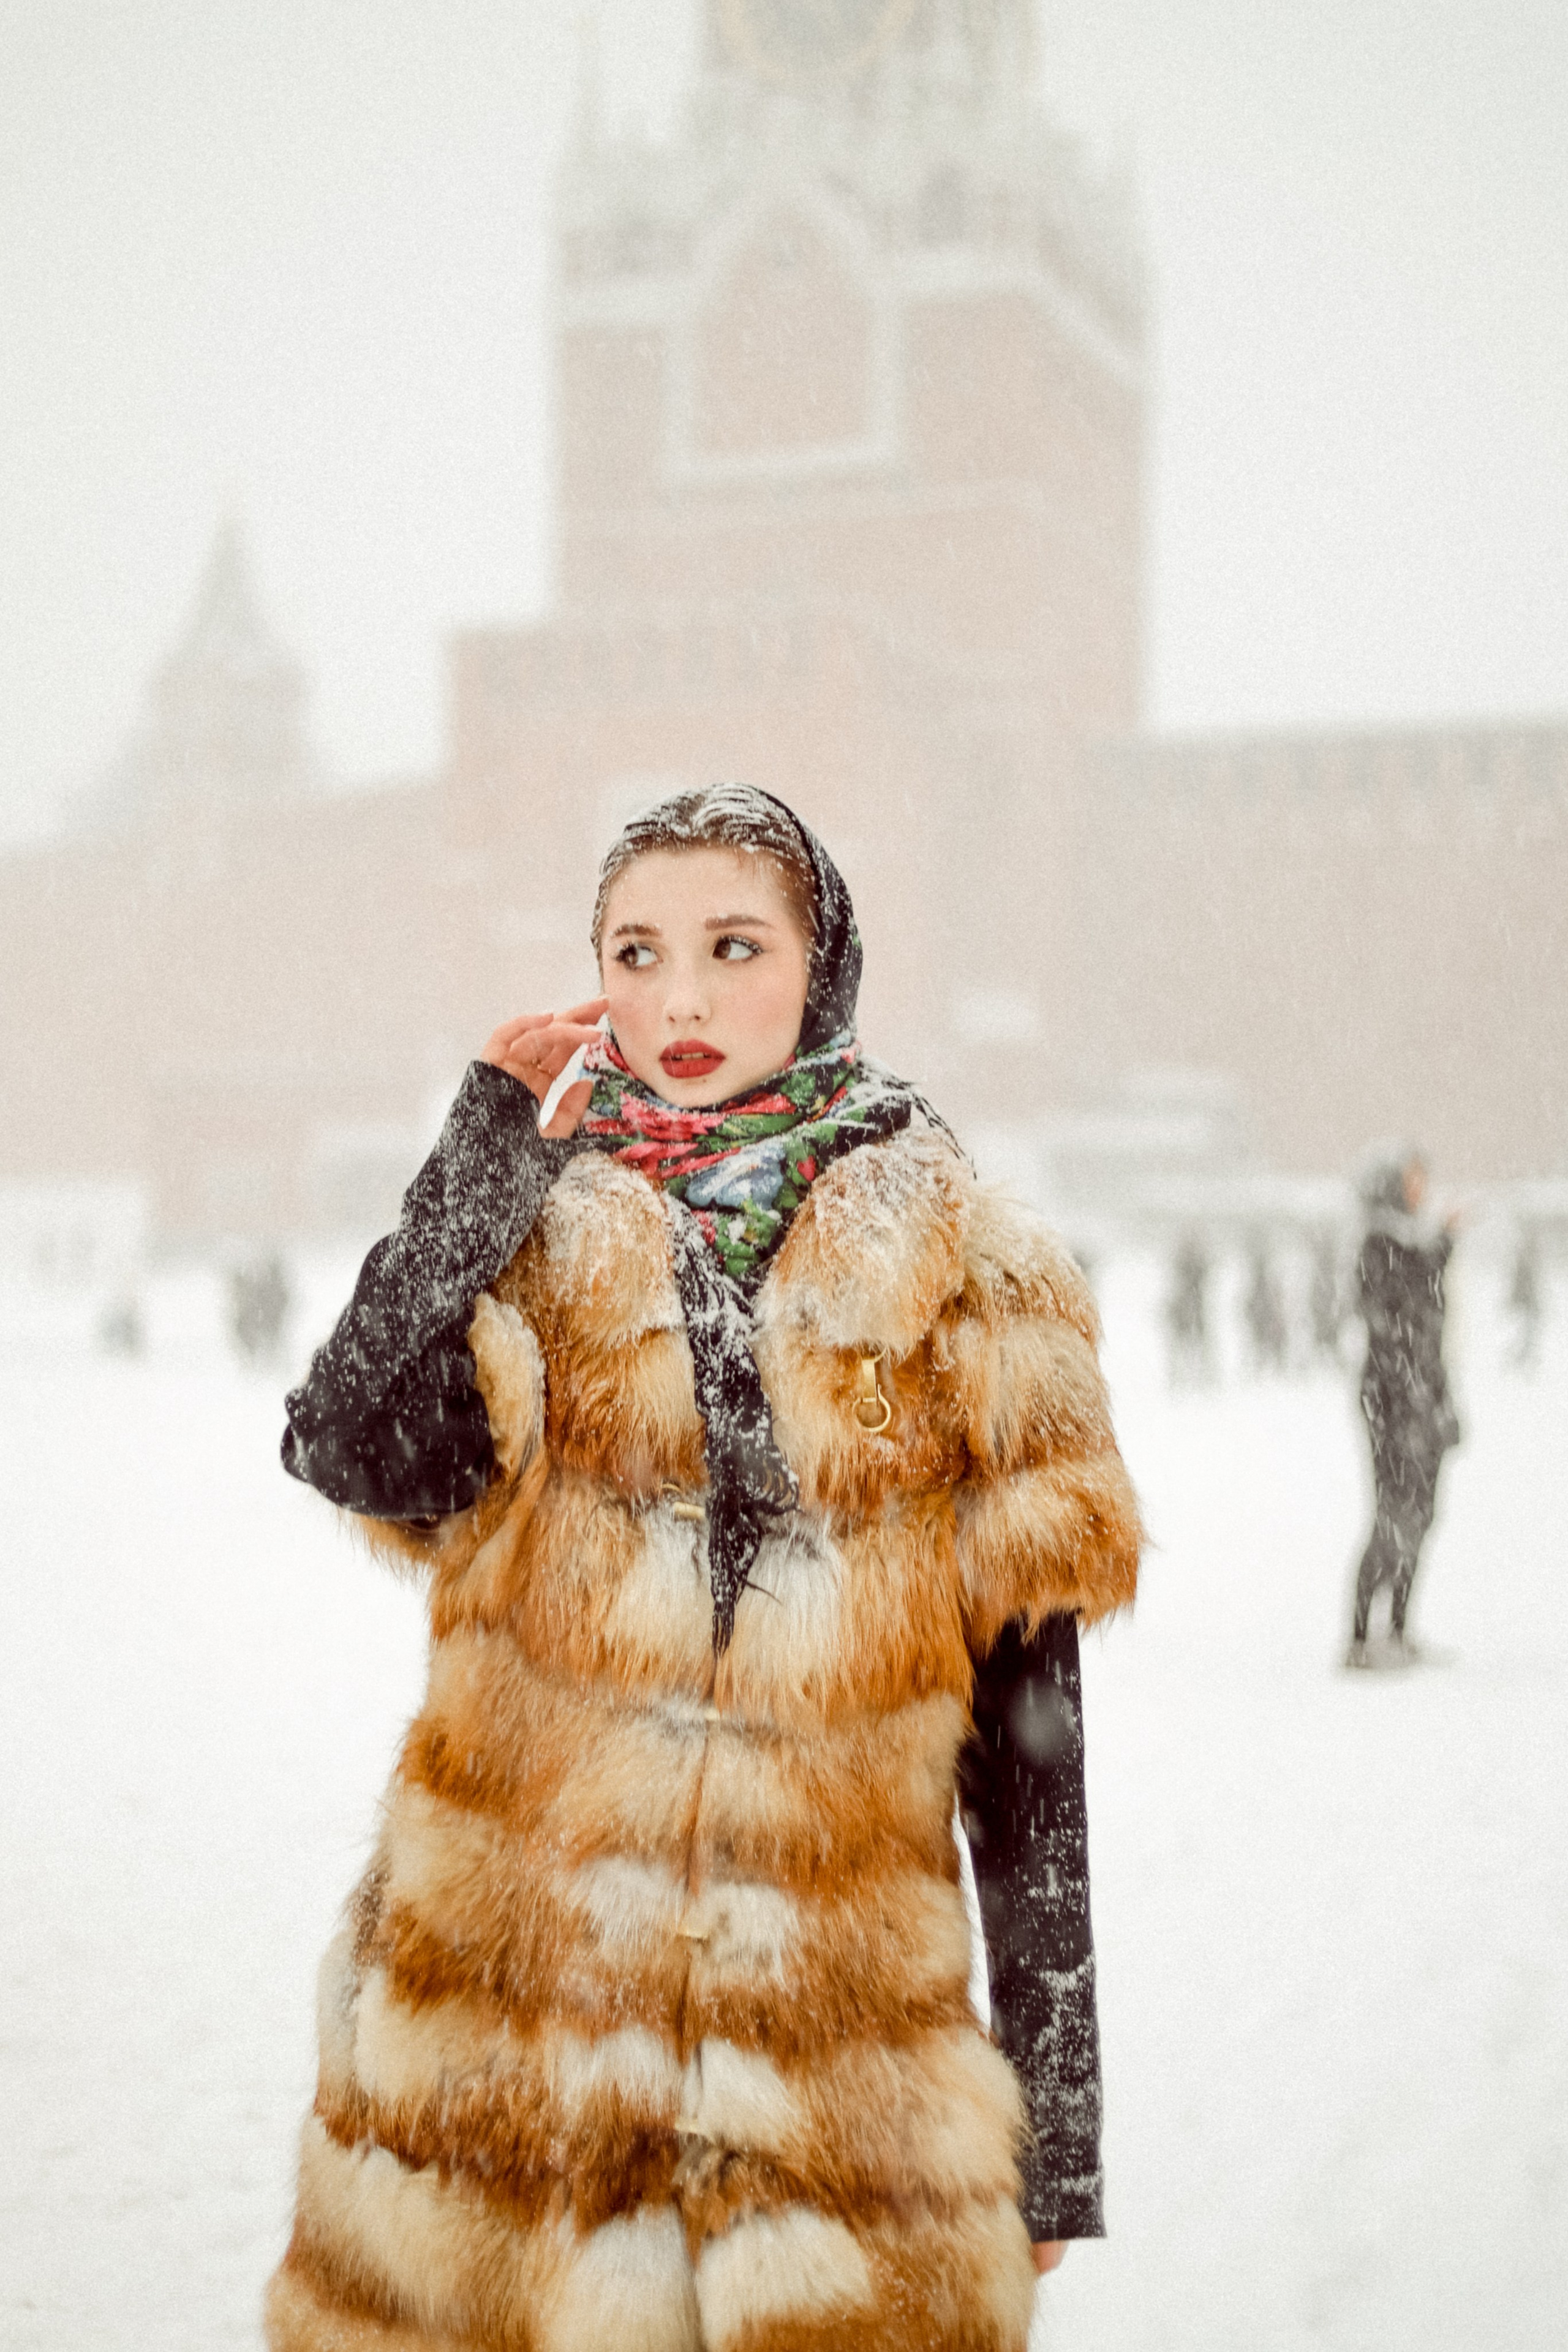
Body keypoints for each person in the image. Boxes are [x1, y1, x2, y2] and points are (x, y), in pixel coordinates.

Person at [266, 786, 1142, 2352]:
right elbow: (346, 1441)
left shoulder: (977, 1283)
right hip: (508, 2056)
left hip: (834, 2066)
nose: (676, 997)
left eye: (731, 945)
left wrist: (1054, 2131)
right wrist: (473, 1164)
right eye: (634, 949)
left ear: (819, 960)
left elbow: (1032, 1754)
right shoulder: (522, 1244)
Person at [1346, 1147, 1461, 1668]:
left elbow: (1426, 1292)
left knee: (1423, 1515)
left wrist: (1445, 1242)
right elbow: (1395, 1319)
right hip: (1394, 1404)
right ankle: (1360, 1637)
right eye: (1413, 1182)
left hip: (1426, 1400)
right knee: (1393, 1516)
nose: (1422, 1190)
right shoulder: (1379, 1244)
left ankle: (1399, 1629)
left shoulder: (1411, 1245)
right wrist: (1413, 1394)